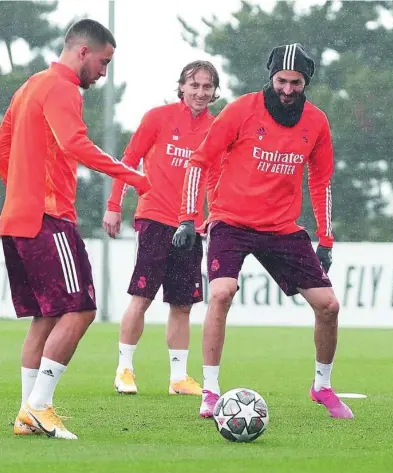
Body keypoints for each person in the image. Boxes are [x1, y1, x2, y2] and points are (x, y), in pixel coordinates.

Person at [172, 43, 353, 419]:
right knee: (221, 292)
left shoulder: (317, 122)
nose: (287, 90)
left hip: (282, 229)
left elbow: (321, 181)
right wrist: (188, 218)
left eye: (296, 83)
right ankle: (210, 391)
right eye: (282, 81)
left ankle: (322, 387)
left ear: (307, 82)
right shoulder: (242, 109)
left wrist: (326, 239)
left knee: (329, 306)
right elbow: (199, 161)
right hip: (231, 222)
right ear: (271, 78)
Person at [0, 19, 150, 440]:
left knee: (46, 318)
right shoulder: (62, 87)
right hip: (47, 219)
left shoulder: (30, 85)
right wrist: (134, 177)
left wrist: (20, 190)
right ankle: (40, 407)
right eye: (103, 62)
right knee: (81, 308)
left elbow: (3, 145)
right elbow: (75, 143)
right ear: (83, 51)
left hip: (17, 218)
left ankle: (26, 414)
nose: (103, 73)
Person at [103, 60, 220, 396]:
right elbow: (127, 162)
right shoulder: (158, 117)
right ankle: (124, 369)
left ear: (214, 91)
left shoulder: (217, 127)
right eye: (194, 85)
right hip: (154, 218)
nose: (200, 92)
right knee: (141, 297)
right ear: (181, 86)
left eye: (206, 87)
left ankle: (178, 378)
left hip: (192, 227)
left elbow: (215, 177)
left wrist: (214, 214)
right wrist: (113, 207)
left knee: (182, 304)